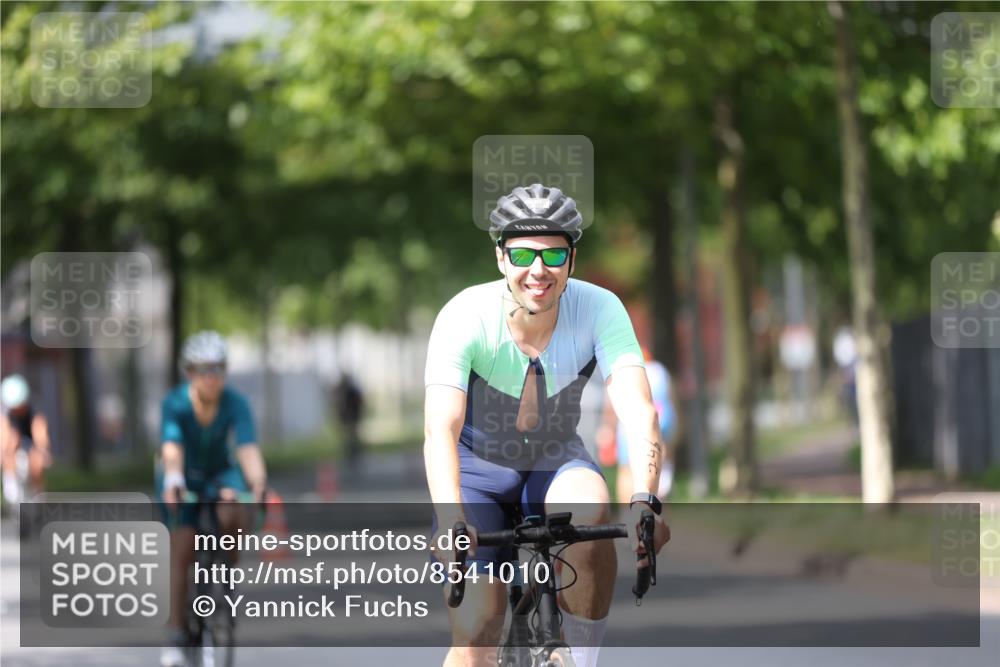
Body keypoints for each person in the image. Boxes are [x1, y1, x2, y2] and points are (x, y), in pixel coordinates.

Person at [424, 183, 670, 667]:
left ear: (572, 260)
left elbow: (639, 410)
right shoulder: (464, 316)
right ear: (501, 258)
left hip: (554, 459)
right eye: (523, 254)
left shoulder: (600, 308)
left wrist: (645, 501)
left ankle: (578, 658)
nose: (538, 270)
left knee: (591, 509)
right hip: (476, 471)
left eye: (554, 254)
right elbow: (440, 431)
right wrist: (452, 519)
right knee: (477, 633)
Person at [158, 331, 268, 667]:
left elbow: (247, 447)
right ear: (189, 372)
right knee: (182, 548)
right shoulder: (175, 403)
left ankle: (226, 568)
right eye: (203, 369)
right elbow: (172, 446)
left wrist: (258, 482)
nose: (211, 377)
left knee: (233, 508)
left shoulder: (235, 403)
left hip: (221, 473)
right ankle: (176, 634)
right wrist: (174, 479)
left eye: (218, 369)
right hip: (184, 475)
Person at [598, 347, 677, 503]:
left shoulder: (621, 371)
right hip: (661, 425)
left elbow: (610, 405)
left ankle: (628, 509)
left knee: (627, 470)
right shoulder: (660, 371)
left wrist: (608, 427)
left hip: (629, 427)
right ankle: (657, 502)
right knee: (660, 464)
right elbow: (671, 399)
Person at [1, 373, 52, 506]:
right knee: (12, 443)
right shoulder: (5, 417)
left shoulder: (35, 414)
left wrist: (43, 451)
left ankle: (38, 496)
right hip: (13, 453)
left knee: (37, 459)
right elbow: (4, 442)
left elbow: (41, 436)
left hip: (30, 449)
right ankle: (13, 494)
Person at [333, 372, 364, 468]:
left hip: (351, 417)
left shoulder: (351, 391)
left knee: (351, 437)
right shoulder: (343, 391)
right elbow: (339, 406)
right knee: (349, 438)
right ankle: (351, 455)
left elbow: (357, 404)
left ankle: (354, 454)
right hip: (348, 418)